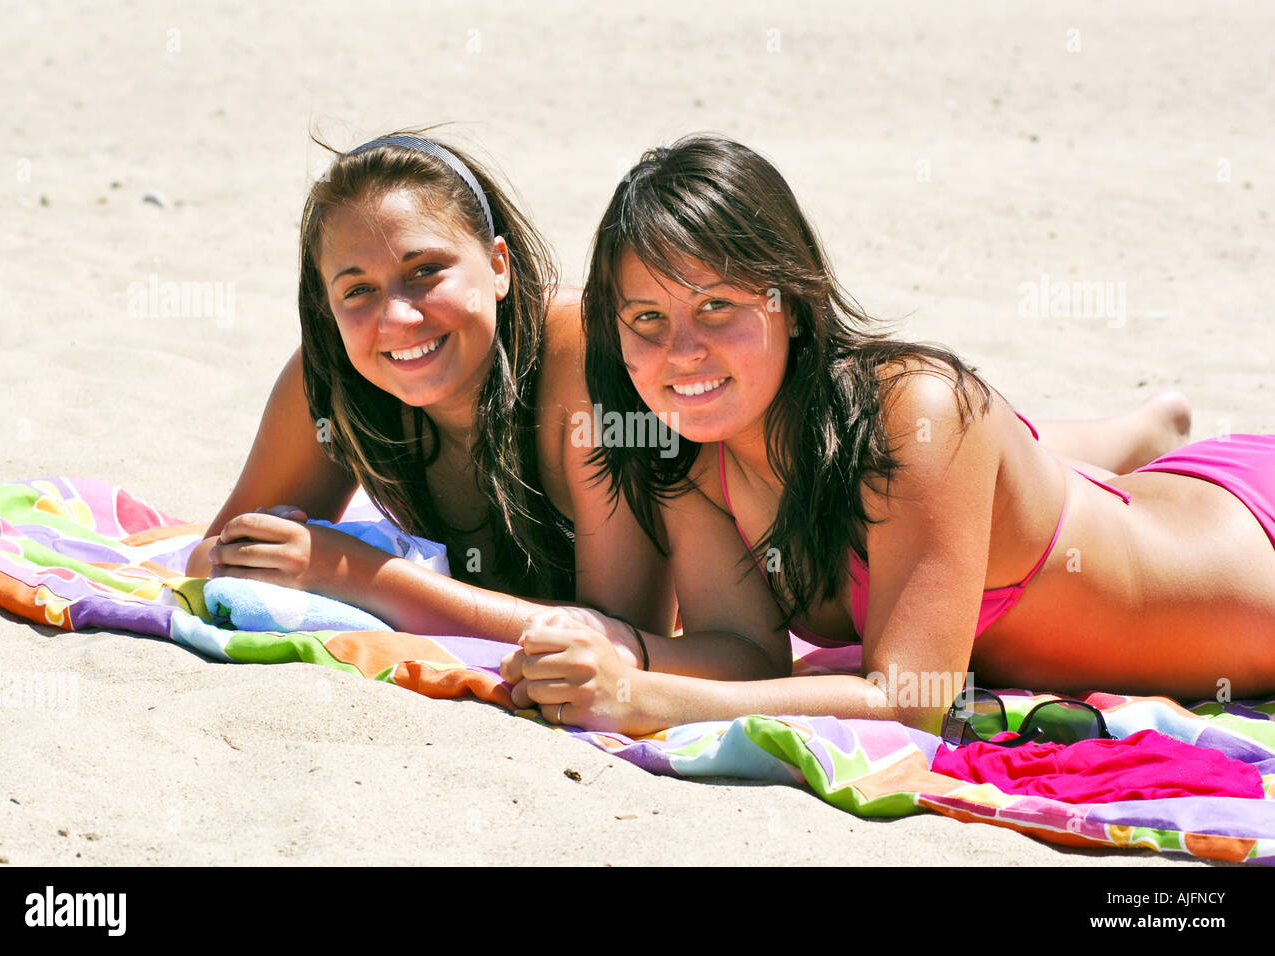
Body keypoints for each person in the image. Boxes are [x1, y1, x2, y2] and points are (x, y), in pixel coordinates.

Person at [501, 134, 1274, 736]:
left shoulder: (916, 411)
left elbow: (910, 705)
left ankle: (1125, 439)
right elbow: (744, 652)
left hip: (1248, 548)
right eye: (646, 319)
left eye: (716, 309)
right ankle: (1131, 435)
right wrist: (606, 658)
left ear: (794, 303)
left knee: (948, 439)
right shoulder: (698, 452)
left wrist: (639, 694)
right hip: (1139, 509)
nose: (681, 354)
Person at [184, 130, 676, 649]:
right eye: (358, 291)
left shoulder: (585, 357)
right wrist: (267, 552)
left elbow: (631, 634)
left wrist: (355, 574)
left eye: (425, 271)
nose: (397, 318)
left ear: (497, 266)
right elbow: (206, 559)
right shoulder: (333, 379)